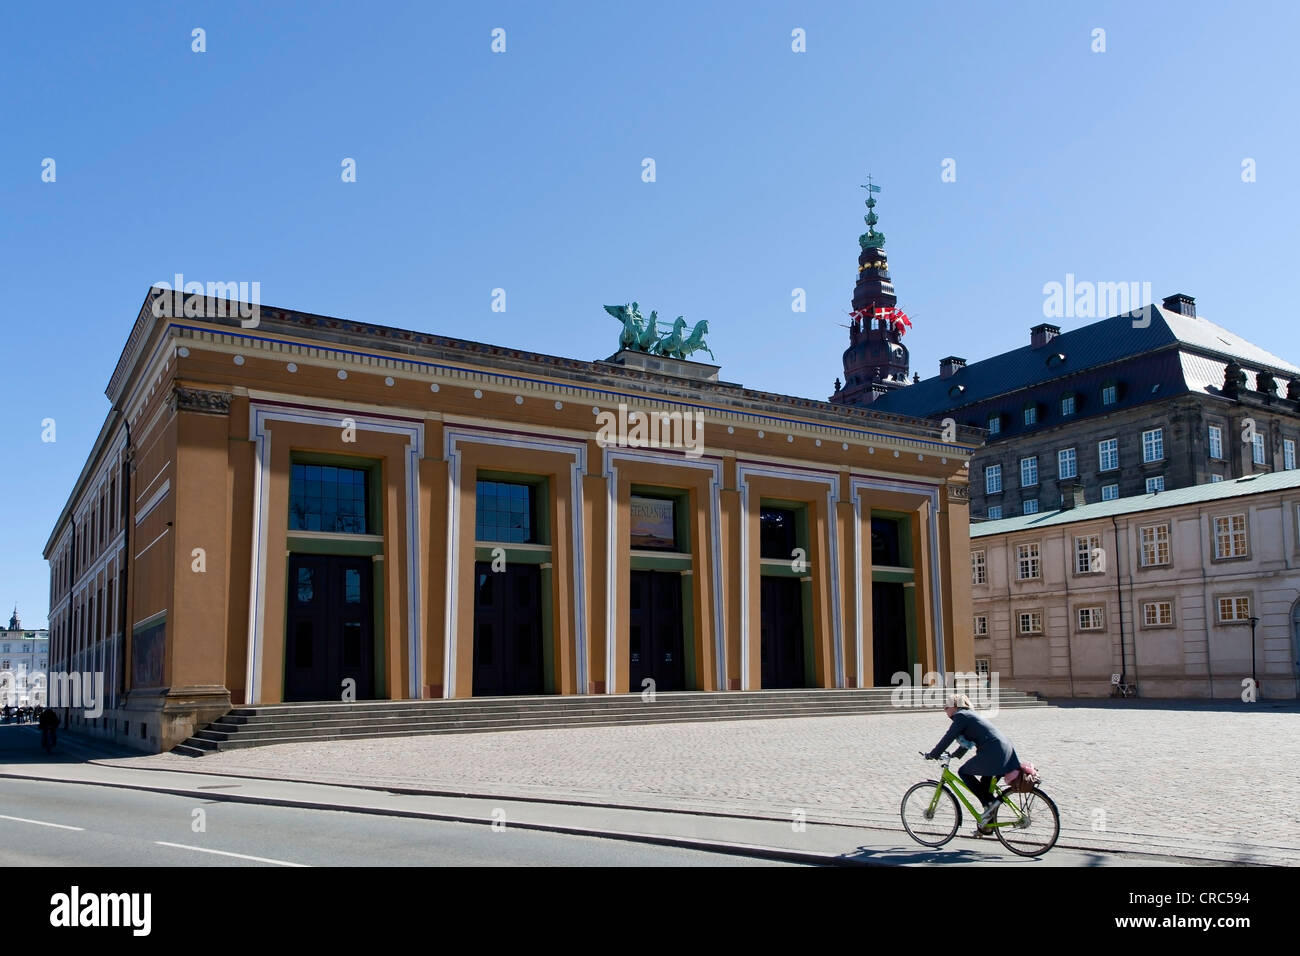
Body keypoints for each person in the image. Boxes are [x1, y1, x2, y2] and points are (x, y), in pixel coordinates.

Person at [926, 693, 1021, 834]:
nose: (944, 710)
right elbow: (967, 744)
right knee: (985, 786)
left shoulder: (961, 716)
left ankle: (991, 805)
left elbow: (948, 737)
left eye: (946, 707)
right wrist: (953, 755)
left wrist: (933, 754)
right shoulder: (969, 715)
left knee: (963, 772)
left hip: (994, 752)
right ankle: (986, 825)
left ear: (955, 706)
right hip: (1006, 750)